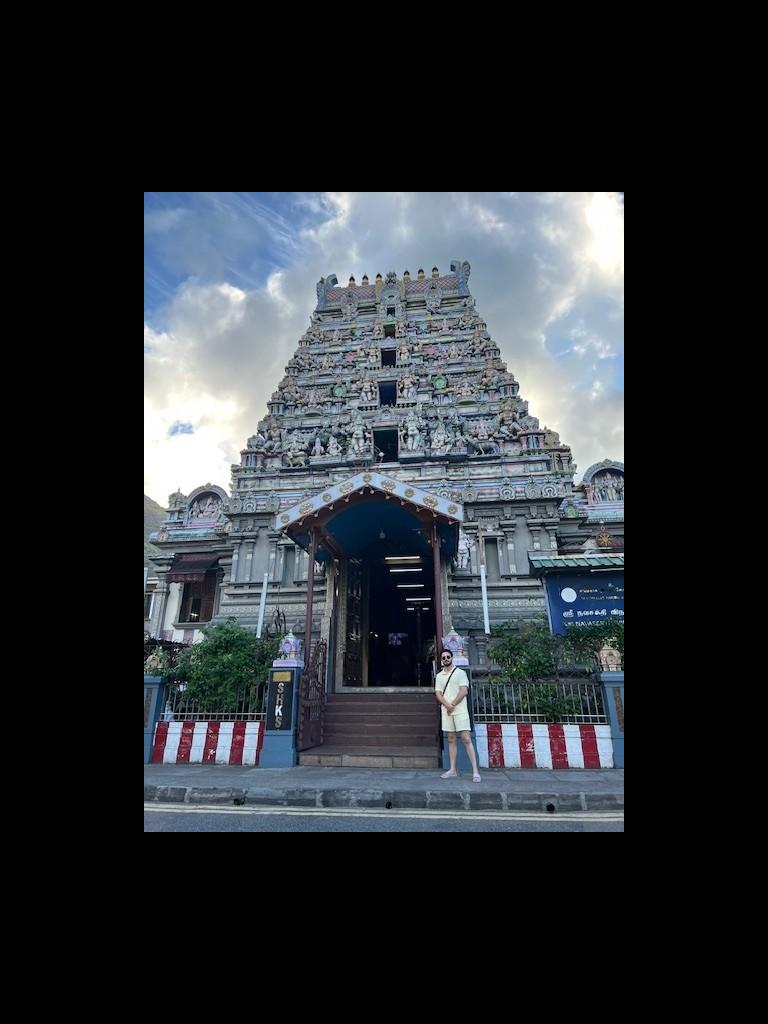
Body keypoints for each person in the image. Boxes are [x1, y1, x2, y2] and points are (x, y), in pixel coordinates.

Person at [434, 649, 481, 782]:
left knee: (466, 738)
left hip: (459, 710)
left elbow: (464, 691)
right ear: (441, 660)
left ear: (452, 658)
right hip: (447, 710)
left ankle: (475, 771)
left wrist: (452, 704)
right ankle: (452, 769)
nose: (446, 659)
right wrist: (447, 705)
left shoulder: (460, 673)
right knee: (451, 738)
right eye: (443, 658)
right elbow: (438, 693)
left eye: (448, 657)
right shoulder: (439, 676)